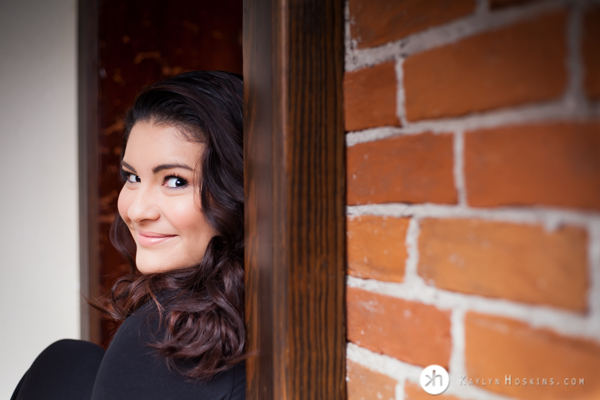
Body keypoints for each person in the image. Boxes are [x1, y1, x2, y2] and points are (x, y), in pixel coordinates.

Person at [11, 71, 246, 400]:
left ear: (237, 190)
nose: (136, 211)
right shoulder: (254, 314)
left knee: (65, 362)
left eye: (175, 180)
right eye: (132, 176)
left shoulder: (163, 335)